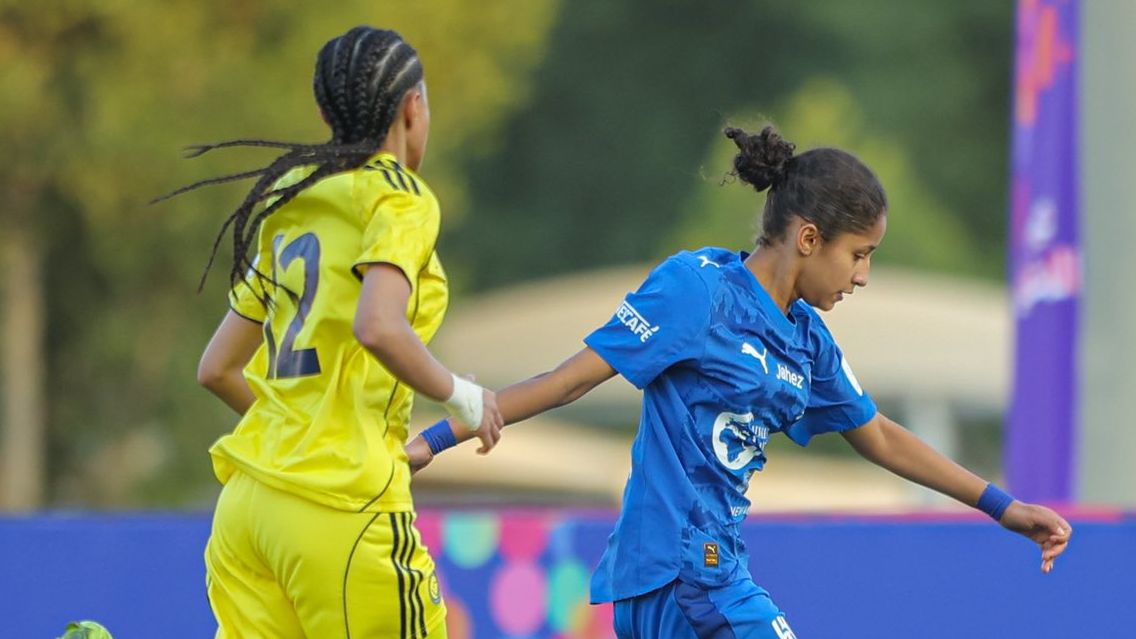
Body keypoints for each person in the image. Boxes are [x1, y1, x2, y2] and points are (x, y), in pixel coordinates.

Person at [407, 125, 1072, 638]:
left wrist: (1005, 508)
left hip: (702, 574)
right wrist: (435, 436)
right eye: (859, 255)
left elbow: (884, 439)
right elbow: (566, 381)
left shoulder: (808, 340)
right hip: (682, 575)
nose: (862, 276)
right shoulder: (697, 291)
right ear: (809, 238)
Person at [158, 25, 504, 638]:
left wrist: (302, 434)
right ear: (412, 106)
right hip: (342, 508)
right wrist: (466, 398)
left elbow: (217, 368)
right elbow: (378, 326)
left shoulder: (293, 195)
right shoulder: (399, 197)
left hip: (247, 510)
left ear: (325, 112)